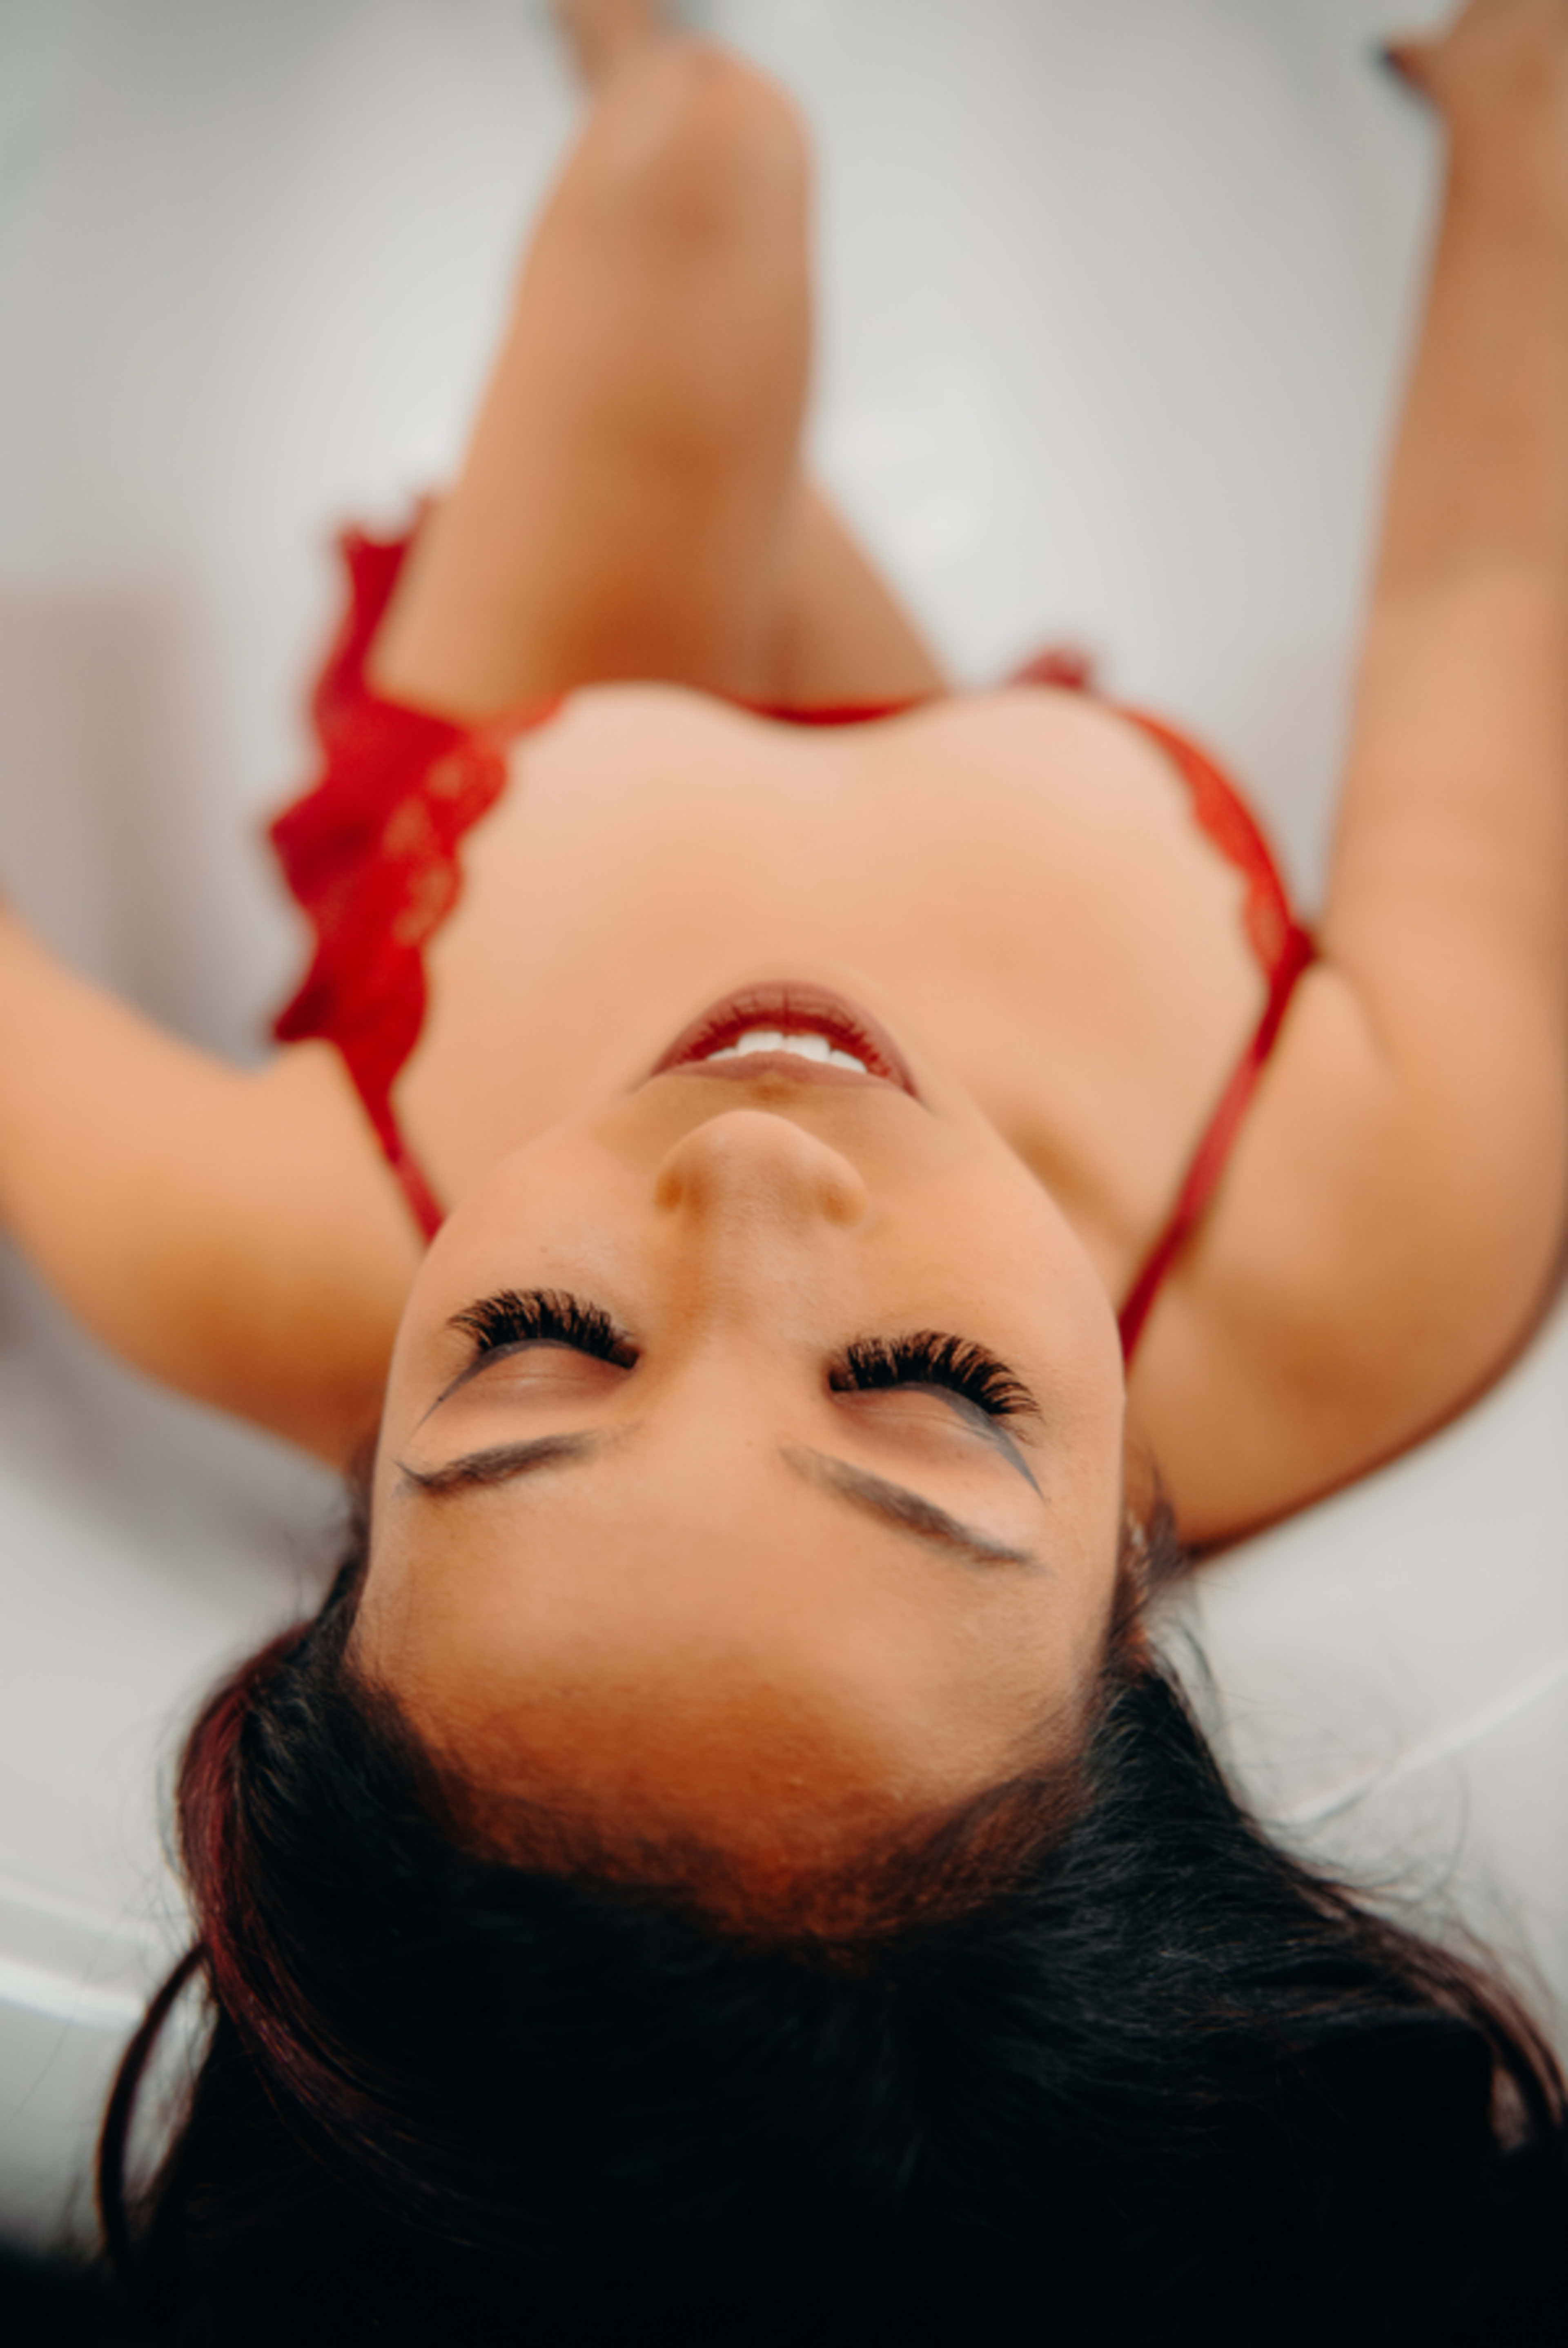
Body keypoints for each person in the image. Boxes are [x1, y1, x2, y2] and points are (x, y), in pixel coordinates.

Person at [0, 0, 1561, 2337]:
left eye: (537, 1343)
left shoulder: (278, 1247)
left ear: (346, 1513)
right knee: (745, 230)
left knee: (705, 162)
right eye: (928, 1385)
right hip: (1002, 791)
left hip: (544, 761)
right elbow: (1487, 607)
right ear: (1136, 1608)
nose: (750, 1175)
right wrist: (1531, 123)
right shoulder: (1359, 1241)